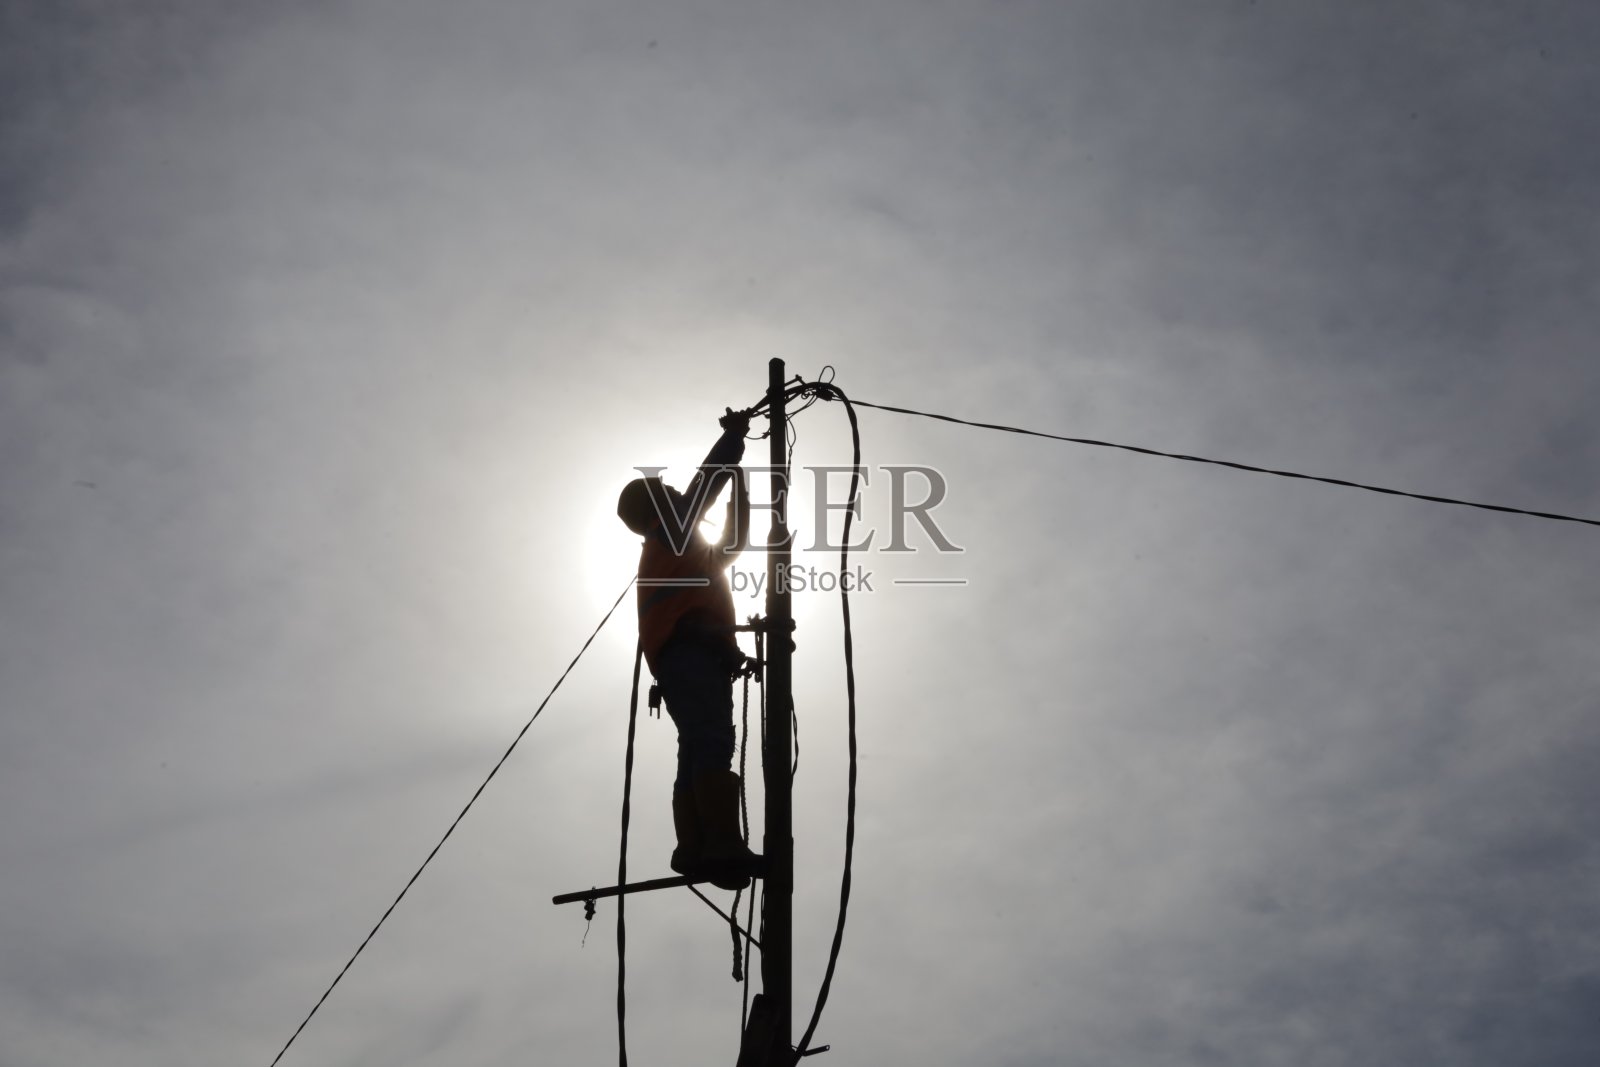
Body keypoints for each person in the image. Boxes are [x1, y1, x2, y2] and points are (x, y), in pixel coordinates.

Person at [616, 409, 760, 891]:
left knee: (698, 747)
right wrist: (733, 439)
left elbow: (733, 545)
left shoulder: (679, 545)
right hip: (690, 655)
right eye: (670, 492)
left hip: (691, 660)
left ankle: (695, 847)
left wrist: (741, 486)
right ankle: (718, 843)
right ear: (659, 504)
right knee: (710, 744)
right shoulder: (671, 529)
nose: (679, 494)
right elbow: (706, 485)